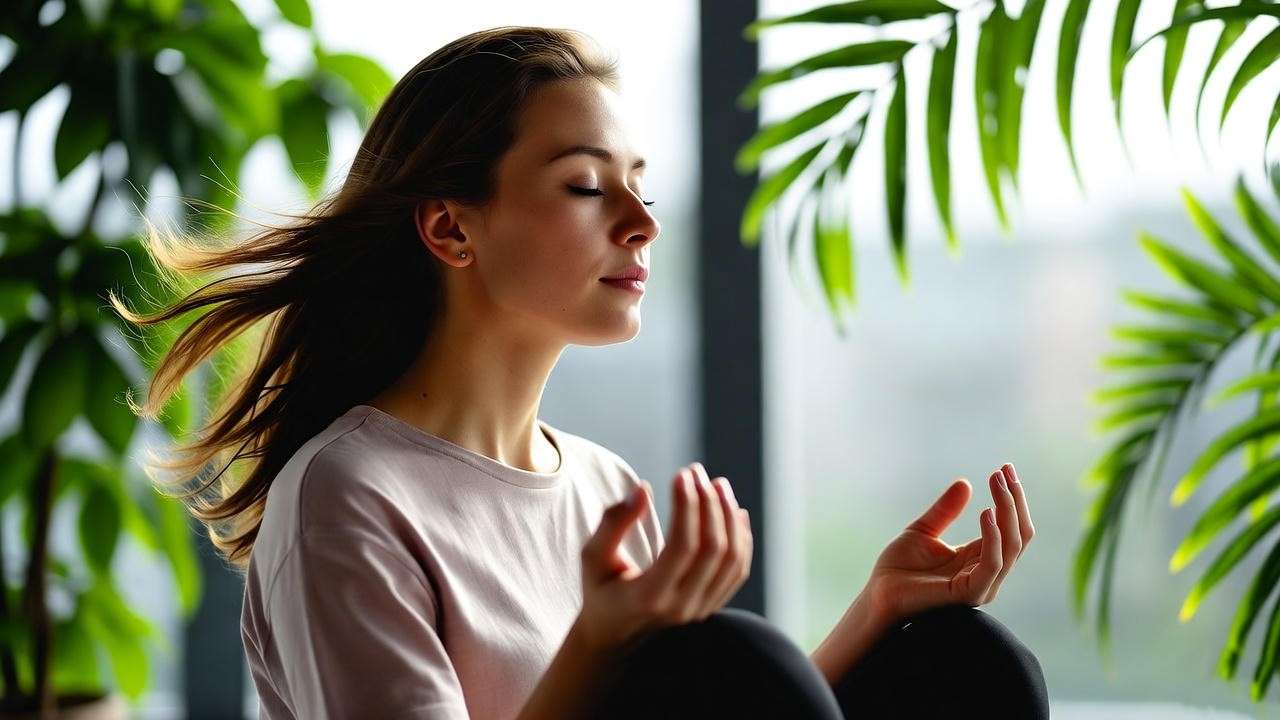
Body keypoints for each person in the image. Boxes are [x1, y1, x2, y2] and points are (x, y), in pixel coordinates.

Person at [116, 25, 1047, 720]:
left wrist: (877, 610)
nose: (642, 220)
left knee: (958, 659)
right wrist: (596, 645)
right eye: (587, 186)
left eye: (639, 180)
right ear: (451, 228)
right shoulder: (347, 495)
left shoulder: (600, 486)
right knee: (731, 658)